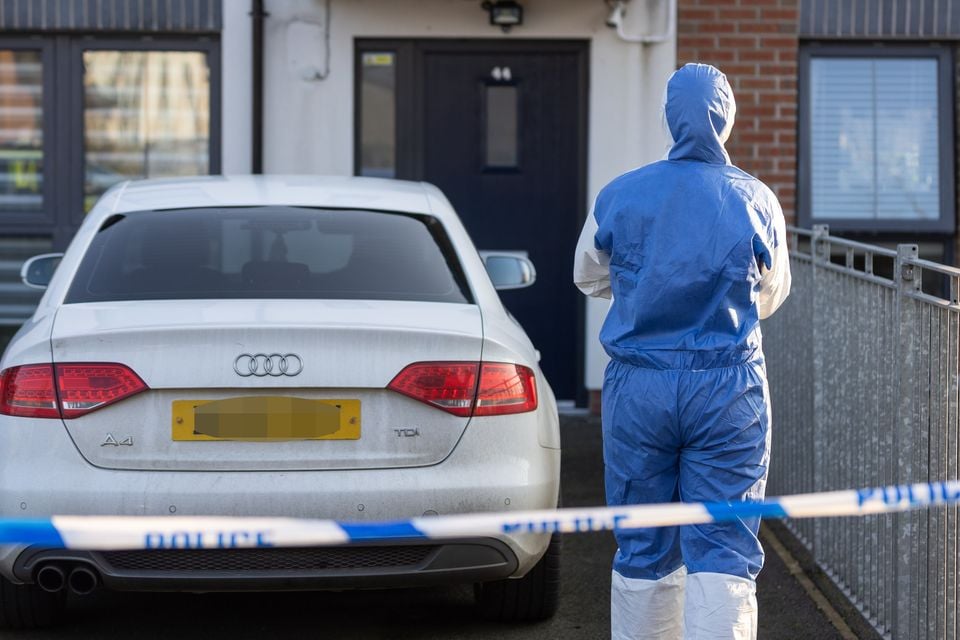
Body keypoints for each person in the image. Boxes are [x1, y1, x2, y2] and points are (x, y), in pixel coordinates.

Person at [573, 63, 792, 640]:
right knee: (724, 543)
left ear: (670, 118)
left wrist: (645, 293)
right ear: (727, 119)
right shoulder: (756, 198)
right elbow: (770, 297)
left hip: (639, 387)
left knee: (644, 540)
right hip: (728, 390)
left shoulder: (620, 194)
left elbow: (588, 277)